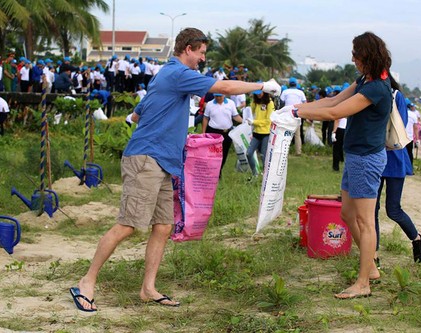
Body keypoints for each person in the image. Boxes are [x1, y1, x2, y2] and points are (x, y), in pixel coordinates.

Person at [71, 27, 280, 311]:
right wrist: (261, 86)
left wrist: (149, 120)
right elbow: (223, 88)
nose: (202, 59)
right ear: (188, 49)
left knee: (163, 226)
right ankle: (87, 281)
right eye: (201, 53)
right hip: (146, 158)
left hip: (163, 162)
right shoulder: (178, 73)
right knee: (128, 225)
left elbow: (139, 110)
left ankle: (148, 288)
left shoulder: (166, 77)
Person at [287, 32, 392, 299]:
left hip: (367, 159)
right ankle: (370, 268)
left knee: (365, 222)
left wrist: (300, 113)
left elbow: (335, 113)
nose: (353, 58)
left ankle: (364, 282)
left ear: (368, 55)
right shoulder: (364, 80)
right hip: (355, 157)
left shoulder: (377, 88)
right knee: (347, 214)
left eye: (356, 54)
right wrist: (302, 105)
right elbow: (333, 101)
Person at [374, 76, 421, 269]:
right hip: (375, 159)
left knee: (393, 209)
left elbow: (400, 126)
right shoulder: (367, 95)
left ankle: (417, 238)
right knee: (372, 210)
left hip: (394, 158)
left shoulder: (397, 97)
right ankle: (374, 254)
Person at [202, 93, 243, 177]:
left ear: (224, 95)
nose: (218, 98)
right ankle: (211, 172)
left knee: (224, 153)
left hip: (226, 132)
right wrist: (203, 133)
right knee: (212, 153)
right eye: (216, 96)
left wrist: (244, 121)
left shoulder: (230, 103)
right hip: (213, 131)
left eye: (220, 96)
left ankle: (219, 171)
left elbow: (235, 116)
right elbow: (205, 118)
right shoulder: (210, 104)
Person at [246, 88, 275, 179]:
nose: (258, 95)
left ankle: (266, 176)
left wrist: (254, 122)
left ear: (264, 92)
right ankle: (255, 174)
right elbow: (251, 112)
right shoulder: (255, 102)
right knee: (249, 153)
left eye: (260, 93)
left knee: (263, 155)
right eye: (256, 93)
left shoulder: (269, 103)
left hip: (265, 133)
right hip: (256, 132)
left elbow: (268, 120)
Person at [280, 77, 307, 156]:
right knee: (297, 135)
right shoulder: (300, 92)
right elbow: (305, 103)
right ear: (296, 84)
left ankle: (285, 151)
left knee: (286, 133)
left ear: (289, 84)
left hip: (287, 114)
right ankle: (298, 151)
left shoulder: (285, 91)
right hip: (297, 114)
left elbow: (281, 102)